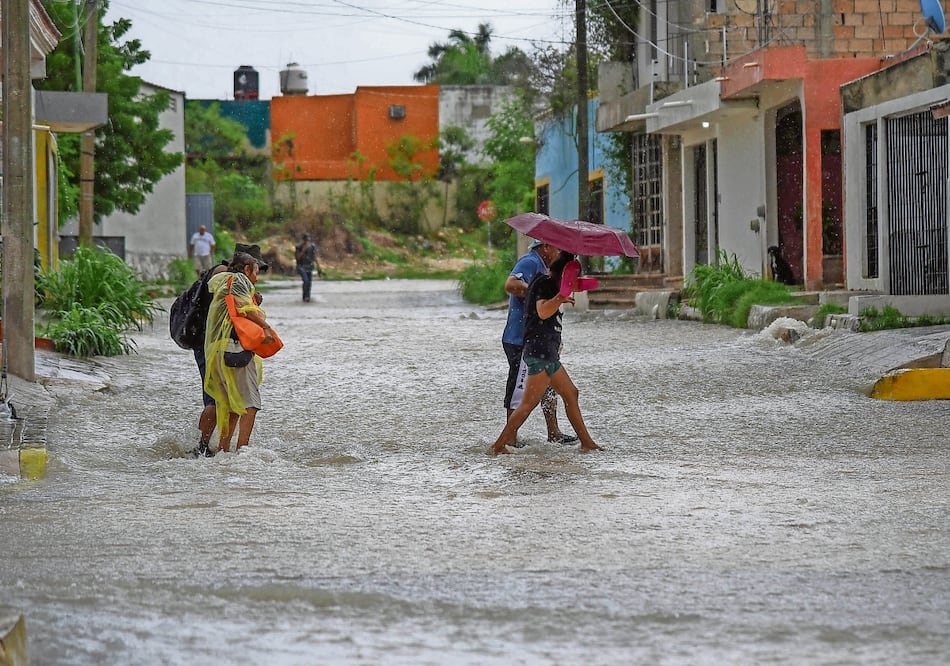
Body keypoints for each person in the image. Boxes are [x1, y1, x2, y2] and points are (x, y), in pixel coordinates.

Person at [490, 251, 602, 456]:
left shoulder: (553, 285)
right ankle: (498, 447)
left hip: (548, 353)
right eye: (571, 279)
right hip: (539, 353)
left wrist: (585, 285)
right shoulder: (544, 285)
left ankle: (587, 443)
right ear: (563, 276)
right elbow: (542, 311)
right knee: (527, 405)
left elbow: (577, 287)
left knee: (571, 393)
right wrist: (560, 298)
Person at [191, 243, 269, 457]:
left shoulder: (220, 278)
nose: (257, 276)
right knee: (248, 404)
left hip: (212, 346)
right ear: (246, 267)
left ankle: (214, 450)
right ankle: (239, 451)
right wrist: (265, 325)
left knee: (226, 403)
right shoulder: (236, 280)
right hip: (231, 346)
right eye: (257, 270)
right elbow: (240, 307)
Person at [502, 239, 577, 446]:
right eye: (557, 248)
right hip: (521, 339)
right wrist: (537, 293)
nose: (559, 252)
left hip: (541, 340)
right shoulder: (530, 261)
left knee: (549, 386)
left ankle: (553, 432)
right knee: (520, 389)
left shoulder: (545, 270)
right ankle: (509, 438)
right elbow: (510, 285)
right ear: (545, 247)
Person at [295, 233, 323, 302]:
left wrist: (319, 266)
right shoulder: (299, 247)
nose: (307, 242)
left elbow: (314, 256)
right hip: (301, 266)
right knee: (306, 281)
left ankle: (307, 297)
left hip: (309, 266)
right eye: (305, 240)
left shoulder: (312, 246)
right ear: (303, 240)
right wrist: (303, 251)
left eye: (308, 240)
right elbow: (297, 258)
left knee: (309, 283)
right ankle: (305, 297)